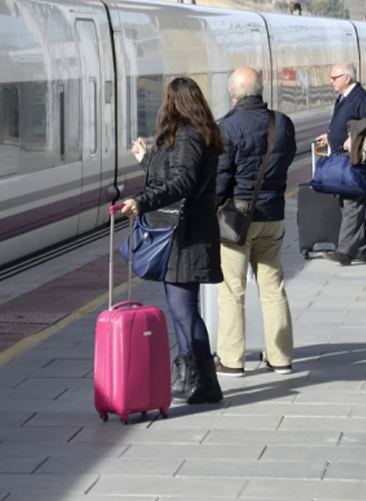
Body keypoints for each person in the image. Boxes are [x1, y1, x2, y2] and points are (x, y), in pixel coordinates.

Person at [119, 77, 225, 404]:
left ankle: (203, 381)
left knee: (185, 310)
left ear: (173, 102)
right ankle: (191, 377)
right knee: (182, 310)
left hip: (187, 236)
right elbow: (179, 176)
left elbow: (182, 183)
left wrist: (143, 201)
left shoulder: (189, 136)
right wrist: (147, 161)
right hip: (185, 234)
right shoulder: (189, 135)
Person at [215, 67, 296, 376]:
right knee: (273, 288)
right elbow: (287, 158)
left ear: (233, 94)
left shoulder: (227, 127)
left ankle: (232, 361)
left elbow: (221, 180)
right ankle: (280, 358)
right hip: (273, 214)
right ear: (260, 91)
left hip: (236, 220)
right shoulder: (282, 122)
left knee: (232, 291)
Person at [315, 62, 366, 265]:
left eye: (334, 78)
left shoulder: (360, 97)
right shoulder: (344, 97)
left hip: (353, 160)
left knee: (353, 204)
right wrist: (330, 136)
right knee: (347, 203)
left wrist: (353, 139)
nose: (331, 81)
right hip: (342, 158)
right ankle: (360, 248)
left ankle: (344, 251)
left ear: (347, 78)